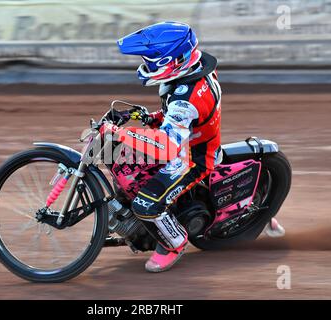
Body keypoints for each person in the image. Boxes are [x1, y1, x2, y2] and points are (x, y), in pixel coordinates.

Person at [115, 21, 284, 273]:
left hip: (192, 159)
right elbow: (174, 116)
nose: (147, 65)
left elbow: (168, 145)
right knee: (129, 167)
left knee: (146, 204)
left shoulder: (187, 98)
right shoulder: (194, 73)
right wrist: (148, 118)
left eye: (153, 61)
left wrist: (122, 134)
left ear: (173, 60)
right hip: (191, 140)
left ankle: (174, 243)